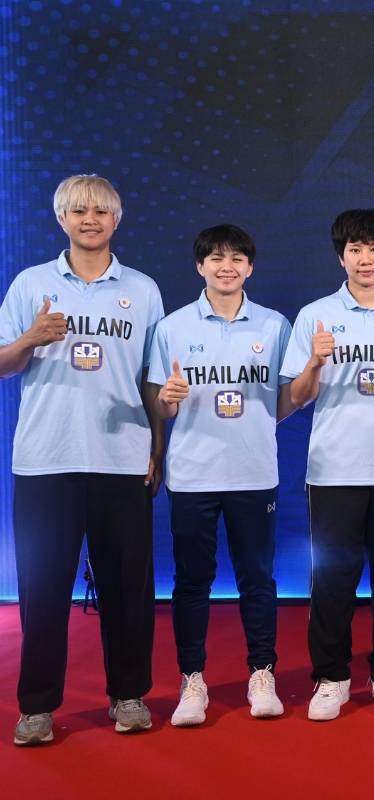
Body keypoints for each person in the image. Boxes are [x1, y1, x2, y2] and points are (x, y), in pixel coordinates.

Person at [2, 175, 164, 745]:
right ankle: (37, 708)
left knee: (128, 589)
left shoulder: (142, 289)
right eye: (77, 211)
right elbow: (2, 363)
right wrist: (30, 339)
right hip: (46, 459)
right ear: (61, 219)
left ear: (117, 219)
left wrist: (156, 448)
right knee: (42, 589)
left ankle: (129, 695)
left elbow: (153, 378)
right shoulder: (31, 283)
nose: (89, 219)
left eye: (100, 210)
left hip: (122, 459)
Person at [281, 209, 374, 722]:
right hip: (334, 470)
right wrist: (314, 363)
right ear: (341, 257)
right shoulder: (315, 315)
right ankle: (332, 677)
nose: (366, 259)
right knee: (332, 582)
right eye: (355, 250)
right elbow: (295, 397)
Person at [148, 224, 295, 726]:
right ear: (200, 266)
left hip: (255, 473)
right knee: (192, 582)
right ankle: (192, 681)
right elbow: (161, 405)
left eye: (236, 259)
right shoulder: (172, 327)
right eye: (215, 258)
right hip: (193, 475)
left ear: (250, 267)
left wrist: (263, 420)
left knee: (258, 579)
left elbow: (288, 397)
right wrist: (166, 401)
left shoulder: (274, 326)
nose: (226, 267)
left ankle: (262, 674)